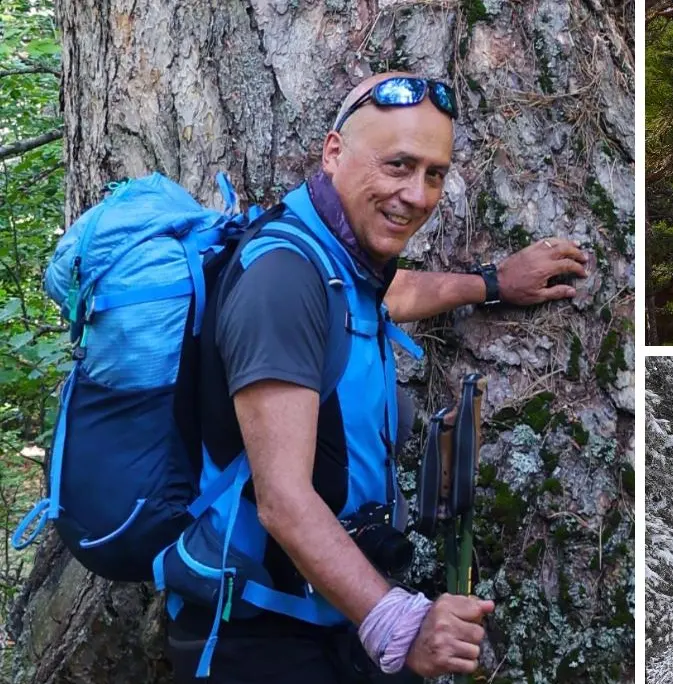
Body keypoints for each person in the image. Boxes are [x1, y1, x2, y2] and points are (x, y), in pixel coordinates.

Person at [163, 72, 589, 683]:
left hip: (325, 620)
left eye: (434, 173)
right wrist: (397, 623)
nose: (417, 195)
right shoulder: (284, 279)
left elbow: (396, 293)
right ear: (334, 152)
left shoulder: (336, 262)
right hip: (258, 640)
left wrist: (495, 283)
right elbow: (282, 502)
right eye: (398, 165)